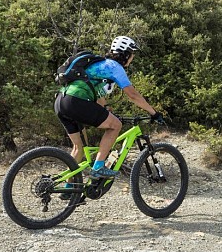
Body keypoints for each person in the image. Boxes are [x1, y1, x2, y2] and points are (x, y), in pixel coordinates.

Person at [54, 35, 163, 179]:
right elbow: (133, 95)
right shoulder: (114, 67)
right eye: (132, 55)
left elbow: (98, 94)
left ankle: (69, 189)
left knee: (78, 149)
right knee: (115, 125)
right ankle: (98, 167)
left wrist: (106, 111)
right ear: (125, 54)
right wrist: (153, 112)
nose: (132, 59)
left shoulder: (101, 65)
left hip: (62, 101)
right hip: (77, 101)